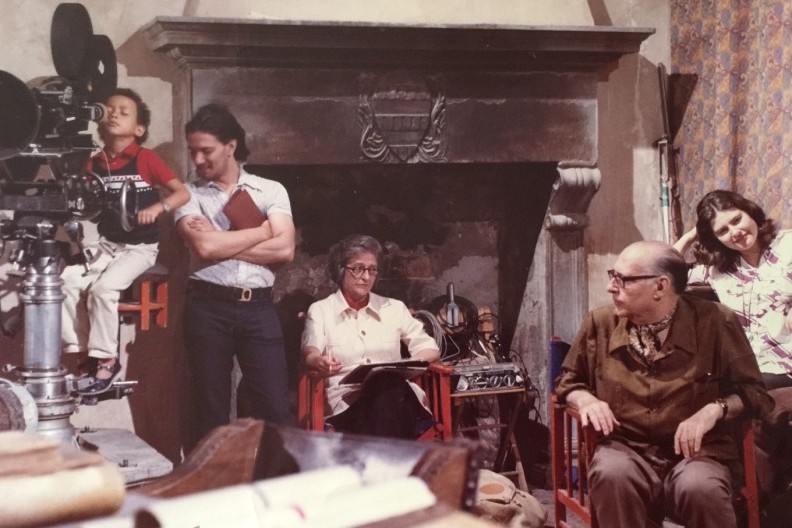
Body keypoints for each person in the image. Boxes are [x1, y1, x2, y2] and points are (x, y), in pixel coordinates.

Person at [555, 240, 772, 528]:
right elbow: (568, 381)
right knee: (612, 474)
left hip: (700, 452)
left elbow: (754, 393)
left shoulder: (717, 321)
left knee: (701, 487)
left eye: (623, 279)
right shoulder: (600, 323)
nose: (611, 287)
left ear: (660, 286)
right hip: (626, 448)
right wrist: (586, 400)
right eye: (612, 276)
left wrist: (713, 410)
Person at [175, 104, 296, 445]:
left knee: (276, 408)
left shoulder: (271, 190)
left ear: (230, 146)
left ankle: (281, 476)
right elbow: (204, 248)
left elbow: (285, 250)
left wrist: (220, 240)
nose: (198, 160)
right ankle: (211, 478)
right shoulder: (187, 194)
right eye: (192, 151)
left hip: (259, 308)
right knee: (210, 411)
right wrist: (262, 232)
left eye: (206, 150)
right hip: (207, 309)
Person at [61, 88, 189, 394]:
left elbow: (182, 193)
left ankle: (107, 359)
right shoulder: (94, 162)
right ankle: (82, 353)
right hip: (107, 245)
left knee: (103, 290)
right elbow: (86, 204)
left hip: (139, 248)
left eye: (124, 111)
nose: (115, 114)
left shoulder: (146, 159)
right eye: (110, 110)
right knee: (65, 281)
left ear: (139, 129)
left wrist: (157, 208)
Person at [300, 234, 440, 438]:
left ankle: (380, 455)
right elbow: (310, 352)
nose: (366, 277)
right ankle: (392, 455)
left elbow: (429, 348)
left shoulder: (394, 308)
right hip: (350, 406)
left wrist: (407, 365)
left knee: (386, 383)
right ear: (341, 270)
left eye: (372, 270)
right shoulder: (321, 310)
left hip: (399, 398)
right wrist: (319, 361)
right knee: (384, 393)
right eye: (358, 269)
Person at [674, 190, 792, 389]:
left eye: (737, 220)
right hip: (747, 364)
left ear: (750, 212)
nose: (735, 232)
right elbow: (662, 270)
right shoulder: (717, 270)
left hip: (785, 364)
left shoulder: (787, 244)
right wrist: (689, 236)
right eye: (722, 231)